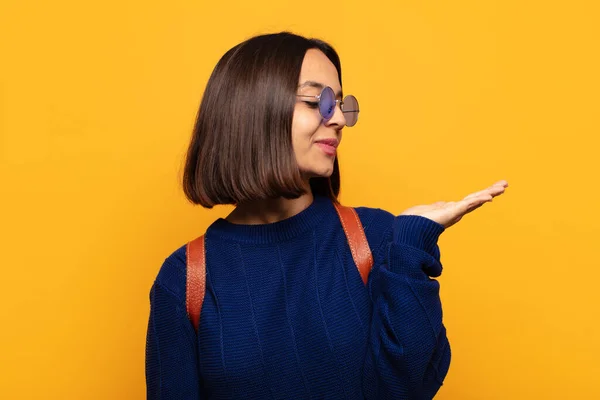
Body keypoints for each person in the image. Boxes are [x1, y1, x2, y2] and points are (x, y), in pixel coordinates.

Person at [144, 31, 508, 399]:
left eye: (340, 103)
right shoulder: (184, 279)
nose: (339, 121)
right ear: (253, 109)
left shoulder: (377, 237)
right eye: (318, 101)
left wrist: (412, 244)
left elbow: (409, 387)